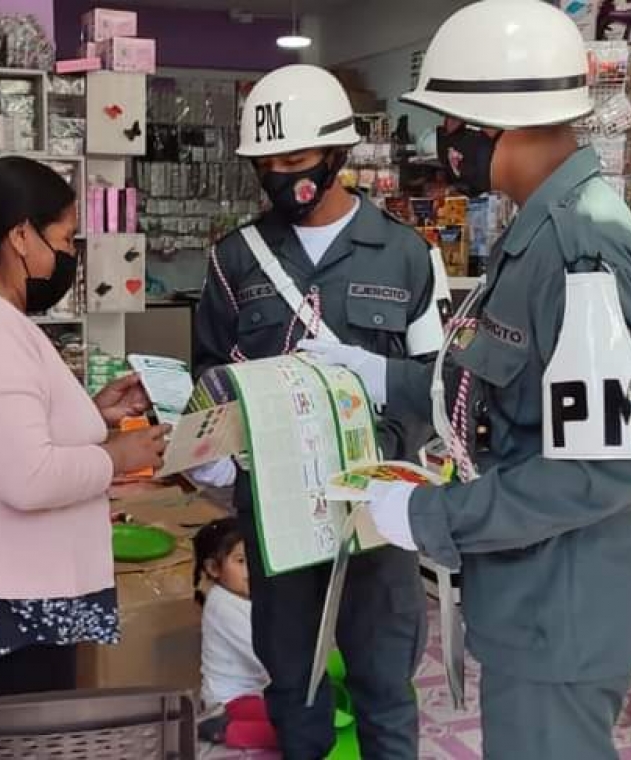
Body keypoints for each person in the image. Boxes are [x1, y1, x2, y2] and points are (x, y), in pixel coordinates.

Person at [302, 1, 631, 758]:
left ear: (492, 122)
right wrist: (384, 378)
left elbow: (613, 463)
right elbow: (508, 389)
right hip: (531, 604)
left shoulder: (580, 247)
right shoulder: (537, 229)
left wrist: (432, 518)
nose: (445, 141)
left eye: (450, 120)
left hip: (558, 616)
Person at [192, 63, 448, 759]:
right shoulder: (233, 260)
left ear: (337, 153)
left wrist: (385, 432)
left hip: (378, 512)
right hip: (275, 514)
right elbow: (208, 376)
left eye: (296, 158)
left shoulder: (409, 255)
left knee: (384, 684)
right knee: (294, 685)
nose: (280, 174)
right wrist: (210, 452)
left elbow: (441, 386)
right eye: (266, 162)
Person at [0, 156, 169, 699]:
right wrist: (119, 457)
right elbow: (27, 477)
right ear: (22, 236)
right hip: (15, 608)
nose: (70, 255)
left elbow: (8, 429)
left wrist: (93, 414)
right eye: (66, 239)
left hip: (16, 594)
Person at [193, 518, 277, 751]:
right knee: (300, 728)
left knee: (307, 718)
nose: (253, 569)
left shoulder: (250, 597)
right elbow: (267, 654)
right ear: (213, 568)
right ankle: (227, 729)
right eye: (241, 561)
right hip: (231, 701)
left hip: (258, 694)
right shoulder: (222, 605)